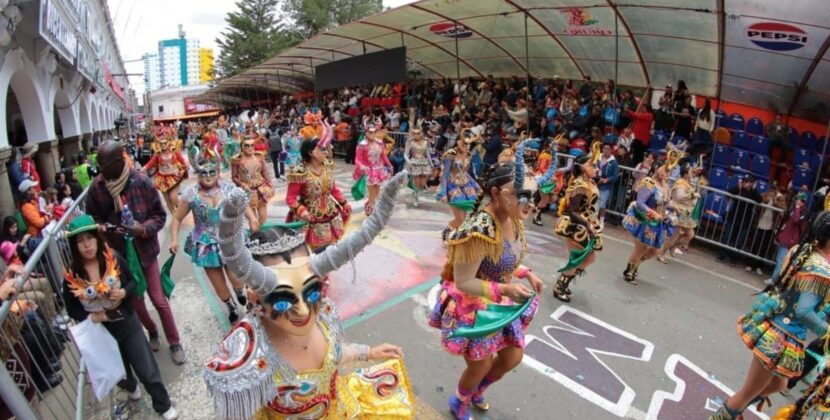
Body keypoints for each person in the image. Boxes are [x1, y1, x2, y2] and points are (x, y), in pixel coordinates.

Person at [205, 172, 414, 419]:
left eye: (312, 294)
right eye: (283, 300)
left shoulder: (323, 314)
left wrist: (368, 352)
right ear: (254, 298)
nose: (304, 311)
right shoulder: (247, 352)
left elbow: (332, 357)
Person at [429, 161, 543, 420]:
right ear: (496, 193)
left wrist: (527, 273)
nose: (530, 203)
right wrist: (506, 288)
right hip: (471, 305)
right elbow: (463, 281)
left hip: (497, 301)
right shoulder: (478, 229)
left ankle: (474, 392)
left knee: (512, 357)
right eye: (521, 195)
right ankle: (459, 400)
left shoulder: (514, 219)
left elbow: (502, 257)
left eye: (532, 196)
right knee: (482, 363)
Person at [710, 212, 830, 420]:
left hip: (778, 327)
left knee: (779, 383)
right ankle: (730, 411)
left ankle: (737, 408)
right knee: (747, 393)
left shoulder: (800, 251)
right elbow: (804, 311)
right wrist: (826, 330)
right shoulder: (820, 269)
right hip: (782, 335)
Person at [61, 215, 178, 419]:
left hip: (126, 320)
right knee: (118, 367)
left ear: (97, 238)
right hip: (102, 330)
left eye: (90, 238)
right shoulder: (72, 275)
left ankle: (163, 405)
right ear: (73, 245)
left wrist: (123, 292)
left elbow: (133, 282)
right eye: (80, 241)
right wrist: (92, 317)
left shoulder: (112, 257)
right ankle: (131, 389)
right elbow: (72, 308)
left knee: (145, 365)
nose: (87, 245)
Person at [85, 140, 186, 365]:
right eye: (98, 164)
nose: (100, 169)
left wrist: (142, 229)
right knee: (137, 303)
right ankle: (151, 330)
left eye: (104, 164)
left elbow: (160, 216)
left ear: (119, 161)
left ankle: (175, 341)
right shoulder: (97, 189)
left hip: (146, 252)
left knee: (159, 300)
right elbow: (93, 217)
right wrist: (100, 228)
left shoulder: (141, 182)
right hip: (120, 257)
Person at [171, 147, 257, 324]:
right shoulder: (191, 193)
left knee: (236, 276)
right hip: (205, 244)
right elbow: (177, 217)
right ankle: (231, 307)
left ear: (218, 172)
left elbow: (243, 204)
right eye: (204, 173)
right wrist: (173, 239)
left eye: (212, 172)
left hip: (230, 239)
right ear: (198, 174)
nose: (208, 176)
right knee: (219, 284)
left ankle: (241, 293)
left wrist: (252, 219)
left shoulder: (228, 188)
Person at [285, 125, 351, 252]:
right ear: (311, 153)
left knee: (330, 245)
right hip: (310, 216)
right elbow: (290, 198)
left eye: (325, 148)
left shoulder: (326, 166)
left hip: (330, 212)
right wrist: (302, 211)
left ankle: (325, 266)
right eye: (321, 149)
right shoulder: (300, 172)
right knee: (312, 248)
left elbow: (333, 189)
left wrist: (344, 202)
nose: (326, 151)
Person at [553, 144, 604, 302]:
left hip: (588, 224)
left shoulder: (590, 183)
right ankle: (560, 286)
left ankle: (564, 282)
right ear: (583, 168)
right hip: (577, 226)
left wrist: (594, 222)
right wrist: (587, 224)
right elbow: (572, 211)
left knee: (589, 258)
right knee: (577, 259)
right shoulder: (579, 185)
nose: (596, 167)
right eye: (592, 164)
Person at [622, 149, 680, 284]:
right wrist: (654, 214)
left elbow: (664, 203)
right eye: (665, 170)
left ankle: (636, 265)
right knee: (640, 248)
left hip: (657, 222)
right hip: (644, 220)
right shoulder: (649, 182)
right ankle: (628, 271)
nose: (667, 174)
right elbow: (641, 203)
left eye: (669, 172)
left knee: (654, 250)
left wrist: (673, 208)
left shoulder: (665, 185)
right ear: (657, 168)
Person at [437, 130, 483, 241]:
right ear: (458, 142)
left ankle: (456, 236)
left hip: (466, 188)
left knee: (464, 218)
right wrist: (443, 191)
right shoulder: (450, 155)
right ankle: (447, 232)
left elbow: (465, 172)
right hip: (453, 188)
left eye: (468, 145)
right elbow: (445, 174)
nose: (467, 147)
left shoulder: (468, 155)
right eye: (464, 144)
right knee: (460, 219)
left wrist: (476, 185)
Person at [716, 174, 763, 265]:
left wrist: (754, 189)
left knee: (739, 241)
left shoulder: (753, 192)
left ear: (751, 183)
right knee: (727, 237)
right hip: (734, 217)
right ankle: (721, 255)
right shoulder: (739, 189)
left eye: (747, 182)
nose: (745, 183)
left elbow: (760, 199)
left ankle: (733, 259)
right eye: (744, 181)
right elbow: (729, 192)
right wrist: (739, 187)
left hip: (745, 221)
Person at [231, 134, 275, 226]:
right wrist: (242, 184)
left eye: (252, 145)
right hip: (247, 191)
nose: (250, 148)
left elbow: (264, 172)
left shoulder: (259, 156)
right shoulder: (237, 160)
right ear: (242, 146)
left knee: (263, 217)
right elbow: (234, 177)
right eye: (247, 145)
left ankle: (261, 236)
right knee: (253, 219)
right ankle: (255, 236)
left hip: (261, 189)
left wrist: (270, 183)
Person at [353, 116, 393, 216]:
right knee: (372, 193)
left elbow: (383, 156)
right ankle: (371, 209)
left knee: (377, 192)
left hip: (379, 170)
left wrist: (390, 165)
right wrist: (361, 166)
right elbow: (357, 159)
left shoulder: (380, 143)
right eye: (370, 132)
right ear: (366, 133)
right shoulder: (362, 145)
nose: (372, 134)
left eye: (374, 132)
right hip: (368, 171)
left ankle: (369, 205)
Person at [143, 129, 188, 213]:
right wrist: (143, 168)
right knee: (167, 200)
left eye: (165, 142)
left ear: (169, 142)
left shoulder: (174, 150)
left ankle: (182, 211)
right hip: (162, 178)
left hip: (174, 176)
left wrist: (186, 164)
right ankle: (175, 216)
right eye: (161, 143)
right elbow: (151, 163)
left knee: (173, 197)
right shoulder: (158, 153)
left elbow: (182, 160)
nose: (163, 145)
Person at [771, 192, 808, 281]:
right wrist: (779, 235)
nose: (796, 201)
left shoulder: (804, 213)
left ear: (802, 201)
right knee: (779, 260)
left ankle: (774, 281)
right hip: (785, 238)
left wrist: (798, 208)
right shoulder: (793, 209)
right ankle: (775, 279)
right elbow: (786, 222)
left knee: (783, 262)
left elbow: (796, 220)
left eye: (798, 199)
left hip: (792, 242)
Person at [404, 128, 432, 206]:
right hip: (414, 163)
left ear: (422, 133)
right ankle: (415, 195)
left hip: (424, 163)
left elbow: (428, 154)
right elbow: (405, 154)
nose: (416, 135)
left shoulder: (426, 142)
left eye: (418, 133)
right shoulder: (410, 142)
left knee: (422, 184)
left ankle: (415, 192)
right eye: (414, 133)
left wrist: (431, 163)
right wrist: (408, 162)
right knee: (417, 183)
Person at [596, 142, 619, 228]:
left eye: (608, 149)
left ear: (611, 150)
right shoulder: (597, 158)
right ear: (602, 149)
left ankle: (601, 220)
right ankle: (593, 218)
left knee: (602, 203)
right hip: (595, 182)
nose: (606, 150)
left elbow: (615, 176)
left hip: (605, 185)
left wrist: (606, 180)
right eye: (605, 148)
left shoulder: (613, 162)